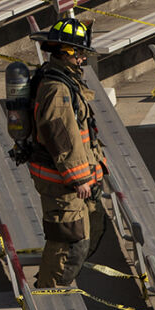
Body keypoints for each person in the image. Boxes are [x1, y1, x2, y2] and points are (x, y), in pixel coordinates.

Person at [25, 15, 108, 288]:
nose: (83, 58)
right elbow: (61, 137)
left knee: (87, 232)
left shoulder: (65, 81)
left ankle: (53, 286)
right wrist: (79, 177)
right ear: (66, 52)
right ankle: (49, 296)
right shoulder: (57, 88)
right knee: (68, 241)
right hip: (61, 181)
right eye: (80, 52)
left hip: (74, 177)